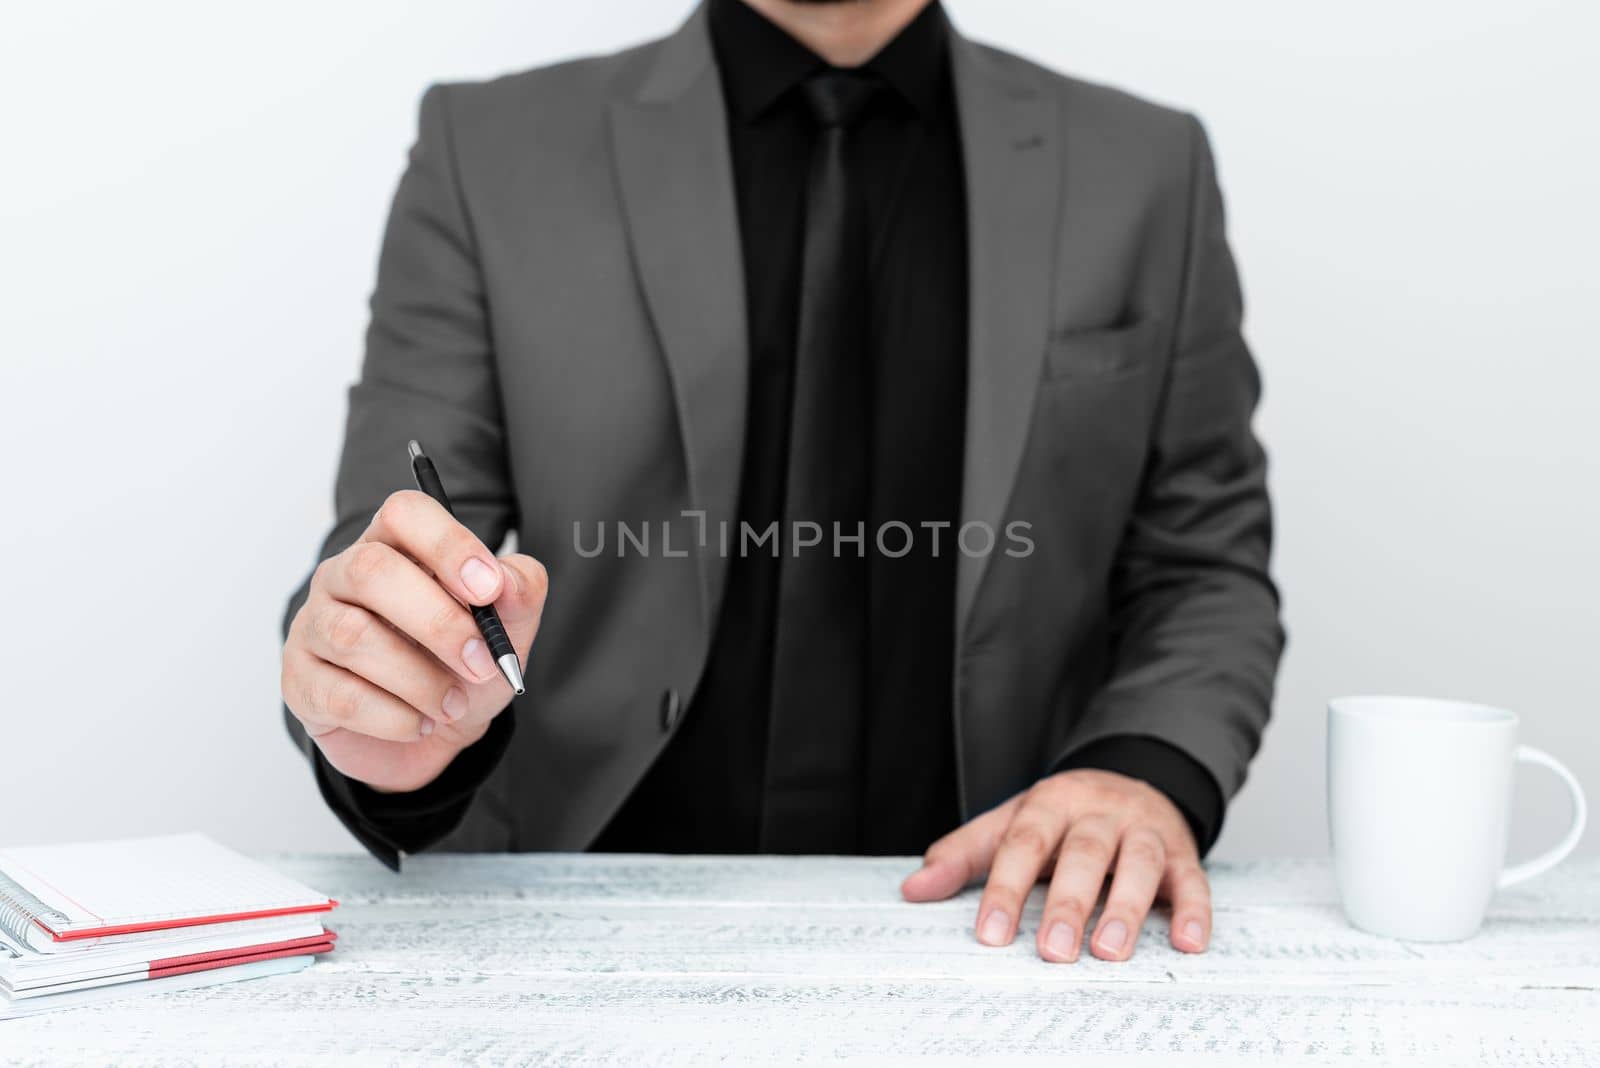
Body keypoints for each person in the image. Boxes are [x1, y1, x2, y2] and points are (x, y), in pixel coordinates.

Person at [280, 0, 1284, 965]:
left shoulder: (1146, 166)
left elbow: (1203, 564)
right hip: (580, 930)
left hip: (1006, 931)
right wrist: (382, 712)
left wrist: (1142, 768)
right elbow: (388, 547)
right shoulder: (486, 147)